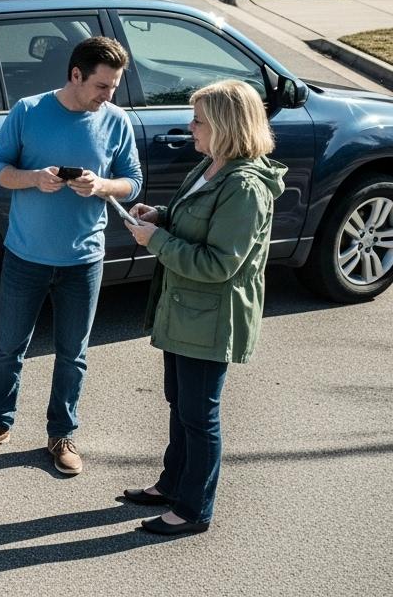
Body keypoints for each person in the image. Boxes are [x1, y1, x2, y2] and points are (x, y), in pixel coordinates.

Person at [0, 37, 143, 475]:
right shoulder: (28, 111)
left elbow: (133, 182)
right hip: (26, 255)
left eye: (114, 86)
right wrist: (32, 179)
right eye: (102, 85)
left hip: (84, 258)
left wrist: (101, 185)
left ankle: (61, 434)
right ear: (75, 75)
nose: (108, 95)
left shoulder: (116, 121)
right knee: (9, 348)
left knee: (72, 353)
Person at [121, 80, 285, 535]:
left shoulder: (245, 187)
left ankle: (194, 510)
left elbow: (219, 264)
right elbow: (189, 221)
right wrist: (160, 217)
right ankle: (172, 484)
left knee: (200, 415)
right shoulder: (211, 166)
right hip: (185, 309)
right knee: (180, 404)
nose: (189, 127)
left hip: (212, 317)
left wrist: (157, 241)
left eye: (199, 120)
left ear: (226, 126)